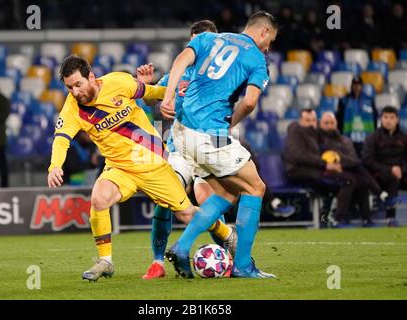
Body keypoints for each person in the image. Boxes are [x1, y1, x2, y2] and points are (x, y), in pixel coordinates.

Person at [47, 55, 233, 282]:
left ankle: (226, 232)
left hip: (152, 162)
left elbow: (150, 93)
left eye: (78, 84)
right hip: (119, 168)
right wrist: (55, 166)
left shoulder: (119, 82)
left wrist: (171, 92)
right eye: (69, 87)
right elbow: (61, 139)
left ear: (91, 77)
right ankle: (105, 260)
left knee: (186, 214)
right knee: (99, 198)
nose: (75, 92)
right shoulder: (72, 109)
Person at [160, 11, 278, 279]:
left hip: (180, 132)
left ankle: (182, 246)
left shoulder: (208, 39)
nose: (269, 47)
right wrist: (231, 123)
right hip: (210, 134)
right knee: (256, 187)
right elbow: (249, 102)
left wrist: (168, 99)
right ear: (263, 32)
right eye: (270, 39)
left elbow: (180, 61)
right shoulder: (257, 59)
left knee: (226, 193)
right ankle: (244, 266)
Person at [136, 20, 237, 280]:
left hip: (211, 145)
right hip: (180, 148)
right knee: (166, 196)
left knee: (208, 199)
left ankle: (227, 257)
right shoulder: (179, 73)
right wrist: (146, 87)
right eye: (195, 41)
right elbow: (152, 98)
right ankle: (157, 262)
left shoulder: (227, 76)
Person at [284, 109, 357, 227]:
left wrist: (333, 165)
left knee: (345, 180)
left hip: (314, 170)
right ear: (300, 121)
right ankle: (336, 219)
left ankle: (326, 219)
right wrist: (325, 165)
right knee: (346, 181)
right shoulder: (295, 130)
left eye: (313, 120)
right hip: (298, 171)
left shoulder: (314, 134)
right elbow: (299, 155)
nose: (311, 123)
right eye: (307, 120)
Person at [318, 112, 390, 227]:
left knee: (362, 181)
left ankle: (367, 219)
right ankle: (338, 219)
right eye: (326, 123)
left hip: (346, 170)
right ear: (320, 124)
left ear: (336, 124)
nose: (329, 126)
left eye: (332, 123)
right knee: (352, 178)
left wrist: (346, 161)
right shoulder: (318, 140)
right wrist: (349, 161)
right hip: (326, 173)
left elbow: (352, 158)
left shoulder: (344, 140)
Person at [362, 106, 407, 227]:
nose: (388, 120)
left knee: (395, 176)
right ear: (381, 119)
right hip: (379, 175)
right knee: (393, 178)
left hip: (402, 173)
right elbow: (367, 160)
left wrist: (401, 169)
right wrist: (390, 169)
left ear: (397, 119)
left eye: (392, 117)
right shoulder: (373, 137)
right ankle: (390, 218)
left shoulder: (404, 137)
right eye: (385, 117)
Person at [337, 75, 377, 156]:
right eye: (354, 84)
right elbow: (339, 118)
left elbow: (375, 118)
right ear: (351, 86)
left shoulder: (369, 100)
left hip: (366, 138)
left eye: (358, 84)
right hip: (349, 138)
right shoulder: (344, 100)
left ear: (362, 86)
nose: (356, 87)